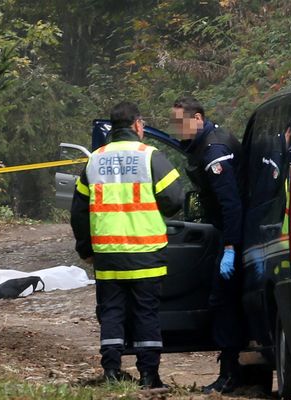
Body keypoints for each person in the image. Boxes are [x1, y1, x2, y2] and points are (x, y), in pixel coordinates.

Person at [71, 101, 183, 389]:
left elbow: (78, 211)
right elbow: (175, 200)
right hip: (145, 251)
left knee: (111, 311)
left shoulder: (94, 160)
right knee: (146, 313)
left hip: (108, 254)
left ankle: (111, 371)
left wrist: (86, 249)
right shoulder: (150, 156)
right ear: (137, 125)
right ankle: (149, 375)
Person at [170, 96, 243, 394]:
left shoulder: (215, 150)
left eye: (181, 123)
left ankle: (230, 373)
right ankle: (236, 370)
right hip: (230, 234)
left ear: (198, 118)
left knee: (223, 302)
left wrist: (229, 247)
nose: (177, 129)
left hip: (234, 236)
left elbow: (231, 205)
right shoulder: (208, 143)